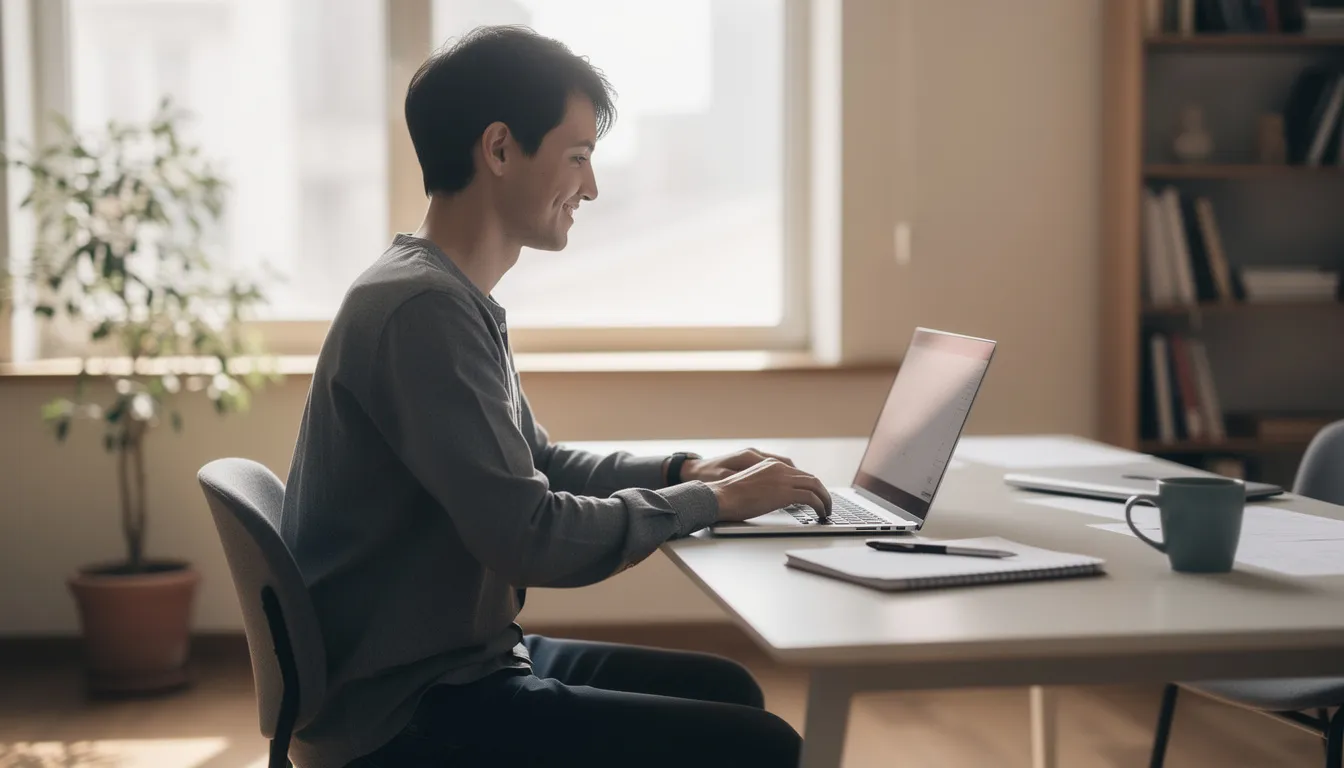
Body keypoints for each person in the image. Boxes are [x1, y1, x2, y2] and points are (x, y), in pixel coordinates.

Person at [280, 25, 832, 768]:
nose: (593, 187)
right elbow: (530, 535)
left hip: (454, 663)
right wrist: (716, 505)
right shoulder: (422, 311)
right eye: (578, 157)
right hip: (411, 710)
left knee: (729, 687)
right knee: (761, 747)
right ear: (500, 149)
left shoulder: (440, 293)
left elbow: (537, 462)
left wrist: (683, 472)